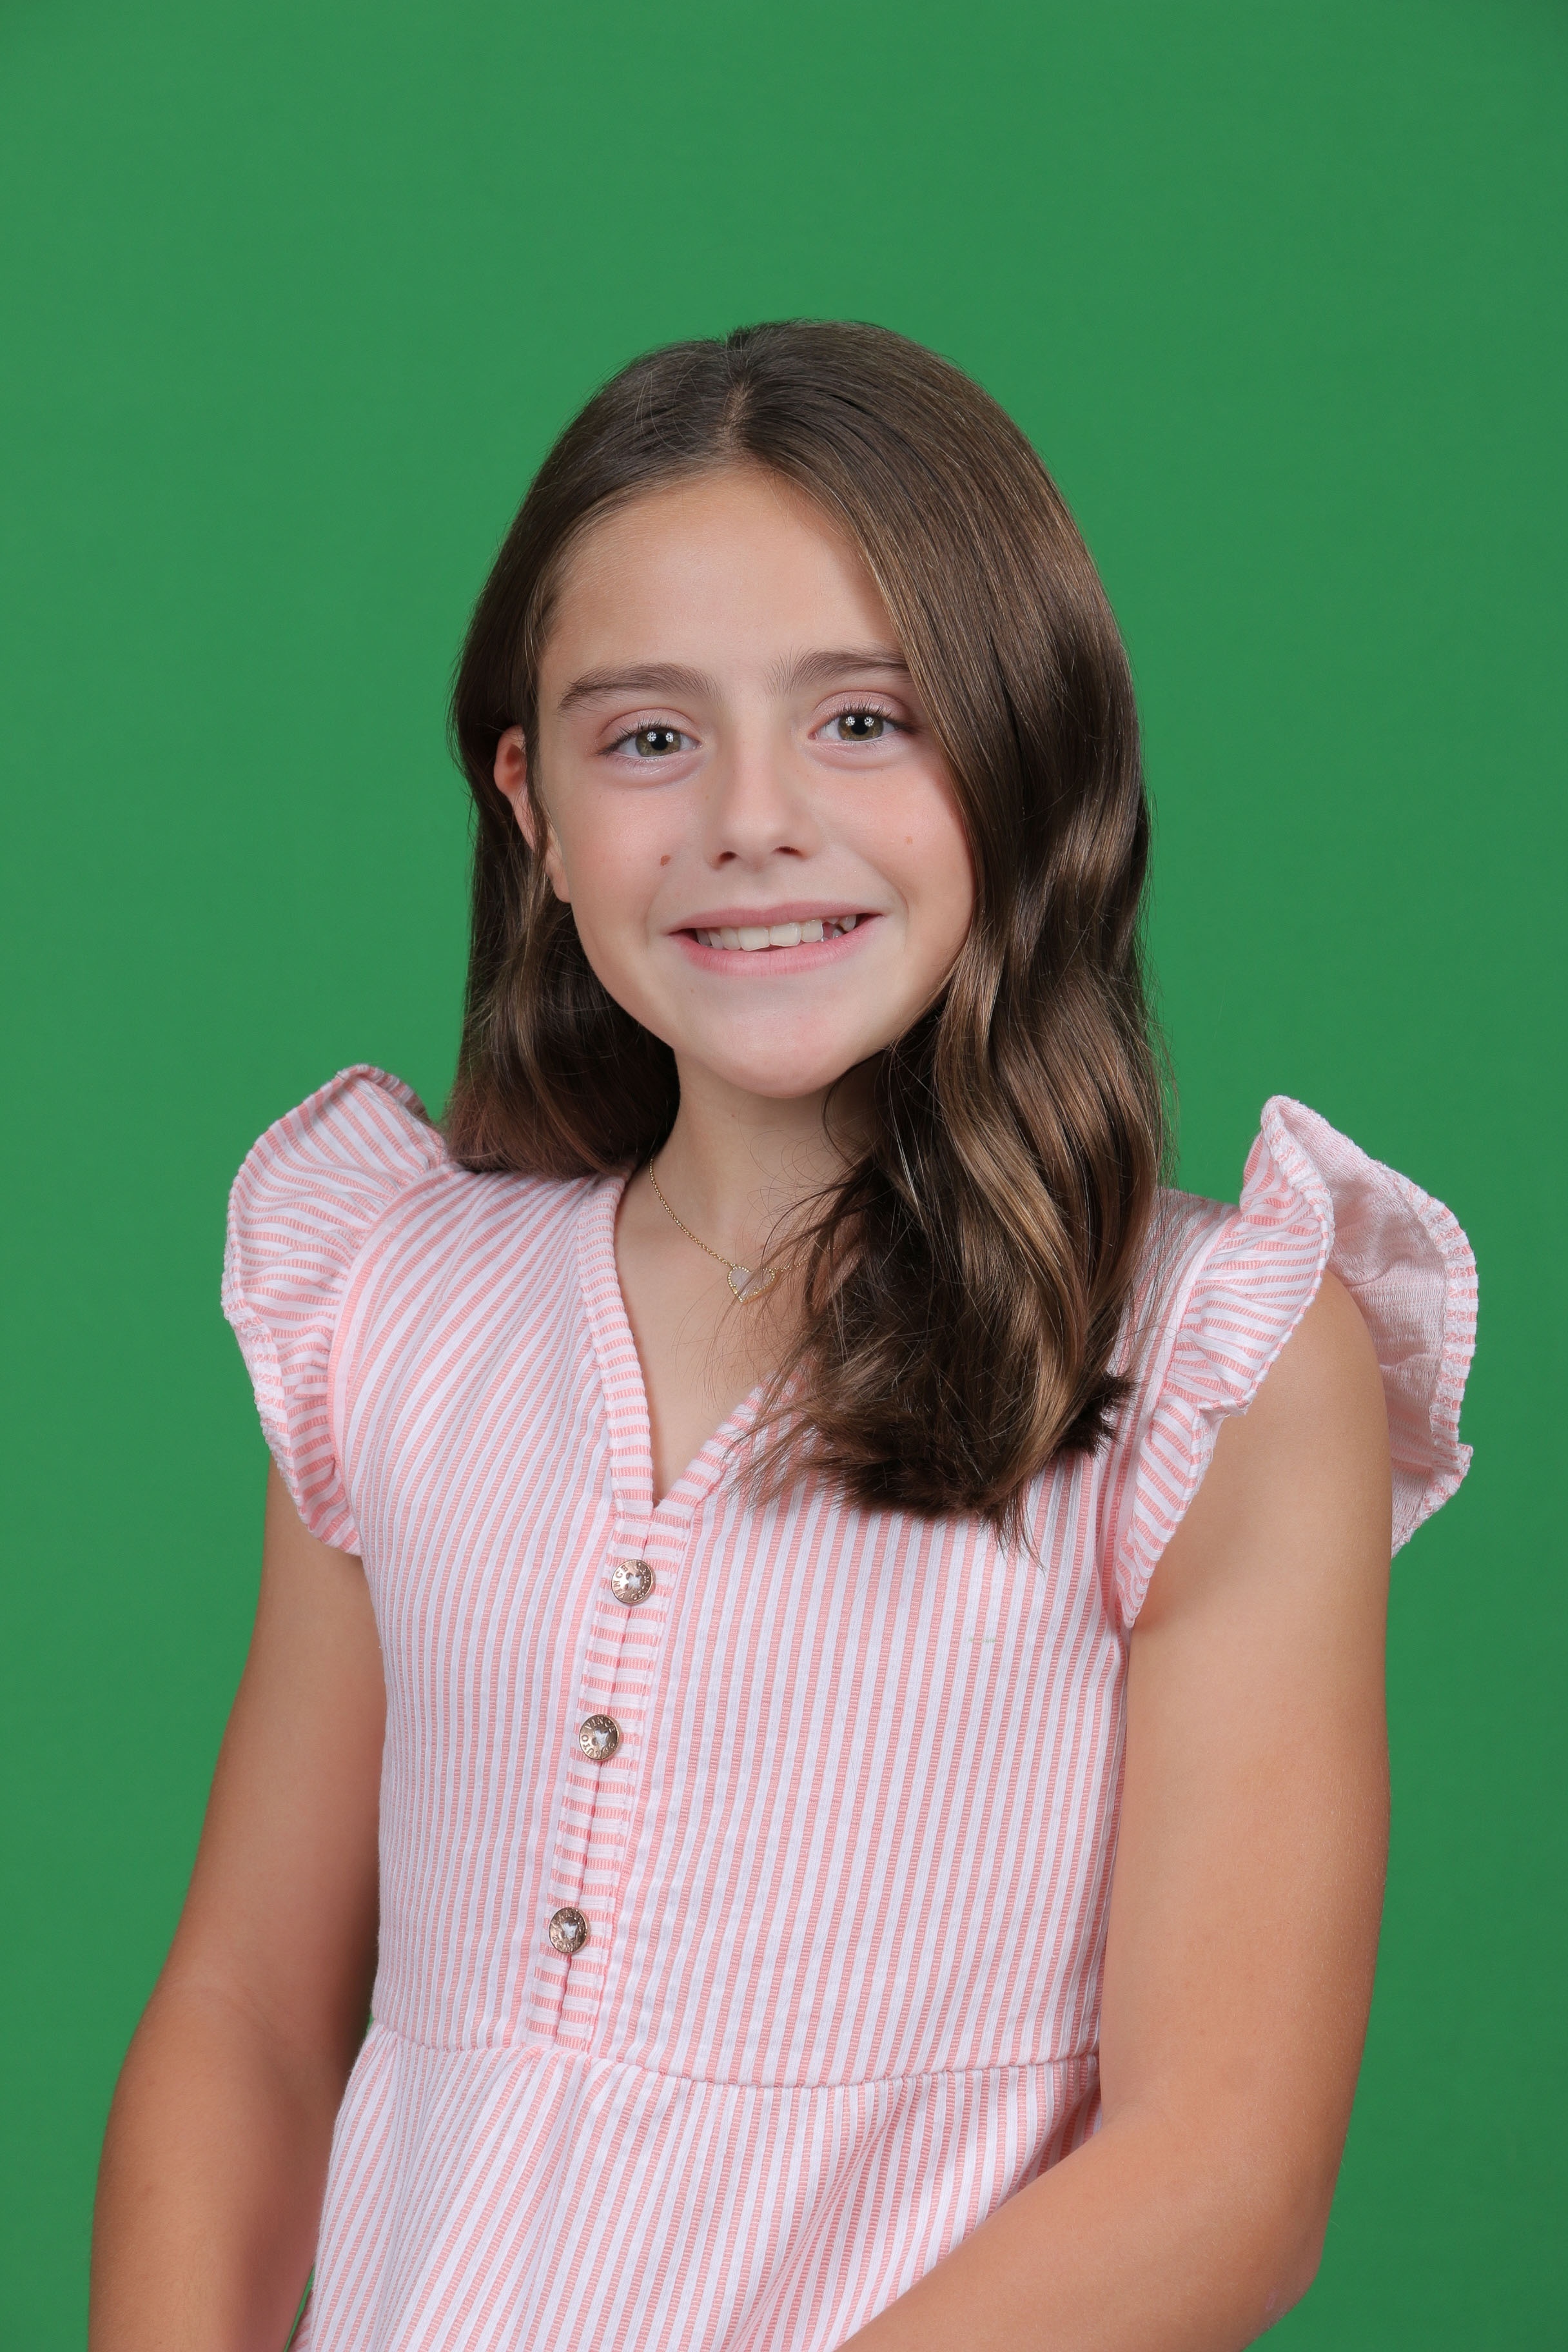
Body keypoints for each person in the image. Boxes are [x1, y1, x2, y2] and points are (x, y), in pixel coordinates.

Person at [89, 322, 1477, 2352]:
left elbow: (1224, 2176)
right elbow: (249, 2019)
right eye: (650, 738)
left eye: (864, 720)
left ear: (1024, 752)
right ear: (534, 807)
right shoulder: (392, 1304)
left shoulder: (1216, 1360)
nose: (752, 818)